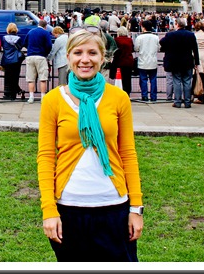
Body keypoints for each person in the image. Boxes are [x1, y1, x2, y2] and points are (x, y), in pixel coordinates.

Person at [37, 29, 143, 262]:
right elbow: (46, 157)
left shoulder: (118, 98)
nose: (85, 59)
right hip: (69, 207)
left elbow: (128, 154)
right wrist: (48, 210)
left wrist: (136, 208)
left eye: (92, 53)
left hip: (114, 205)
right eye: (78, 52)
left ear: (103, 57)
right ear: (68, 57)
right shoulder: (53, 100)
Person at [159, 17, 200, 109]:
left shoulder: (170, 35)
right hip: (187, 61)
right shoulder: (190, 35)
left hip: (175, 61)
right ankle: (187, 102)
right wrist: (197, 62)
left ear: (177, 24)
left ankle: (177, 101)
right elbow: (195, 49)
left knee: (176, 81)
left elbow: (161, 42)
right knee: (187, 81)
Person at [24, 19, 54, 104]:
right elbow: (49, 45)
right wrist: (45, 52)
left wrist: (30, 49)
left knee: (31, 79)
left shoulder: (30, 32)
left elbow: (25, 43)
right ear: (45, 26)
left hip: (30, 56)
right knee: (43, 78)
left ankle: (31, 97)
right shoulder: (45, 33)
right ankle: (42, 97)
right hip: (41, 56)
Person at [133, 20, 159, 103]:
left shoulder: (139, 37)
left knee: (143, 80)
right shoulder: (156, 37)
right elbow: (158, 48)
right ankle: (153, 96)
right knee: (153, 79)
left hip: (142, 61)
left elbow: (136, 48)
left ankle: (144, 96)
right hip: (153, 61)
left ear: (143, 27)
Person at [0, 23, 25, 101]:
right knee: (15, 77)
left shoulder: (4, 38)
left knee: (7, 77)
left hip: (6, 59)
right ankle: (14, 94)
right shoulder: (18, 38)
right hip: (16, 60)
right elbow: (20, 47)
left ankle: (7, 93)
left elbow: (3, 47)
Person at [111, 26, 134, 97]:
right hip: (129, 61)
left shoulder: (116, 40)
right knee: (128, 79)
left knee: (119, 79)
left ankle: (120, 93)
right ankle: (127, 93)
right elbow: (132, 49)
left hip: (119, 62)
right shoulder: (130, 40)